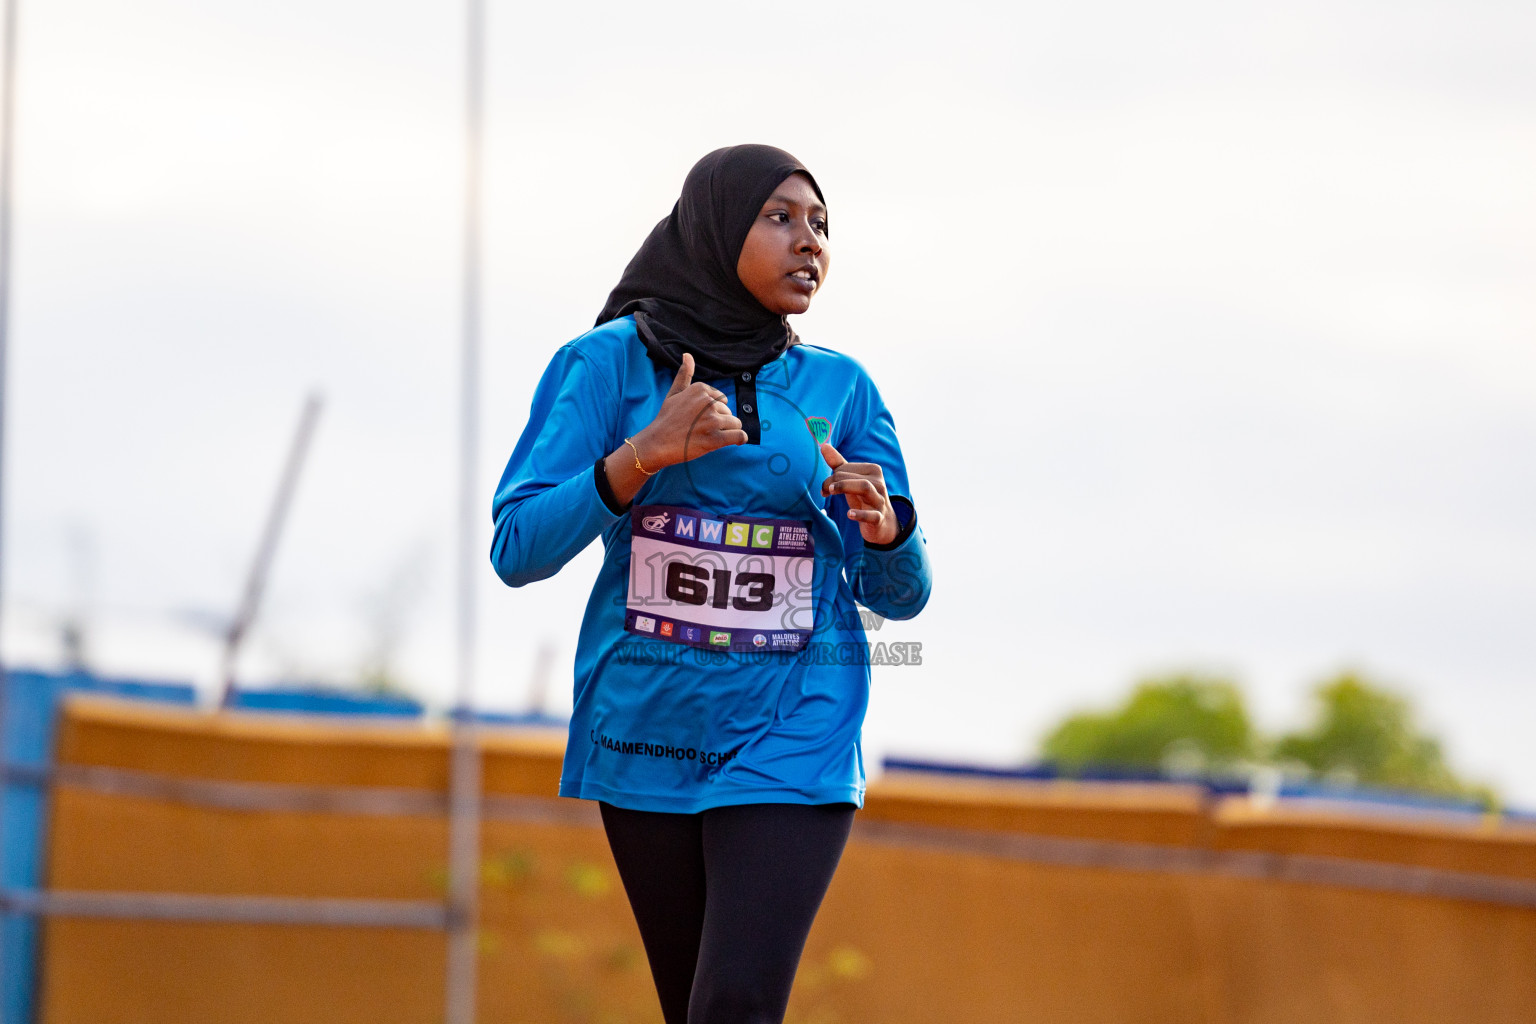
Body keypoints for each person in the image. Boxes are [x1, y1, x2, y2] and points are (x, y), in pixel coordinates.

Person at [489, 144, 933, 1024]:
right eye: (780, 217)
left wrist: (889, 529)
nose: (809, 241)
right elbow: (517, 547)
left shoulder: (841, 387)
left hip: (795, 729)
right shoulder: (607, 365)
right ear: (713, 227)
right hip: (648, 732)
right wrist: (641, 457)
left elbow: (902, 595)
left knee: (735, 1002)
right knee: (691, 1006)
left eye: (821, 225)